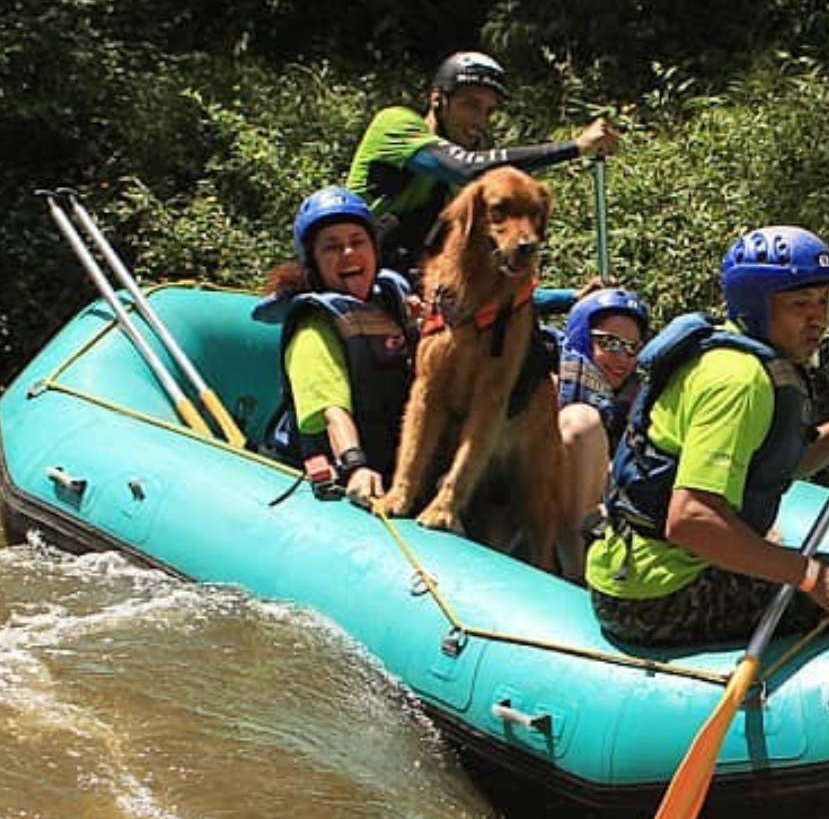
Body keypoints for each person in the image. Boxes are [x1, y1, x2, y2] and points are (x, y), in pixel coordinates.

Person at [588, 226, 829, 647]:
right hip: (658, 595)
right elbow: (691, 522)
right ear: (757, 305)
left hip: (638, 573)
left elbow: (789, 461)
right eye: (800, 305)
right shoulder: (738, 381)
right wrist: (812, 577)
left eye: (824, 302)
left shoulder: (734, 354)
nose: (820, 319)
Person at [346, 51, 621, 279]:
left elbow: (481, 284)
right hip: (360, 274)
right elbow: (468, 168)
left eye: (489, 111)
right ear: (438, 98)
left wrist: (576, 298)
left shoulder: (463, 187)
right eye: (471, 105)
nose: (479, 121)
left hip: (419, 288)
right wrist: (575, 147)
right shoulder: (395, 124)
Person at [253, 186, 416, 505]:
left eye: (357, 241)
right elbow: (332, 412)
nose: (348, 254)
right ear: (313, 261)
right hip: (331, 468)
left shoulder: (393, 305)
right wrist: (355, 466)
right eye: (332, 247)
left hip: (390, 463)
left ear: (374, 250)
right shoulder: (314, 326)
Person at [556, 284, 652, 535]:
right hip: (540, 506)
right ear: (583, 338)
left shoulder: (639, 399)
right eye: (610, 343)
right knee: (581, 421)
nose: (623, 358)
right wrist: (569, 296)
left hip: (609, 522)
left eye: (632, 347)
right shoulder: (547, 378)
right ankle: (573, 557)